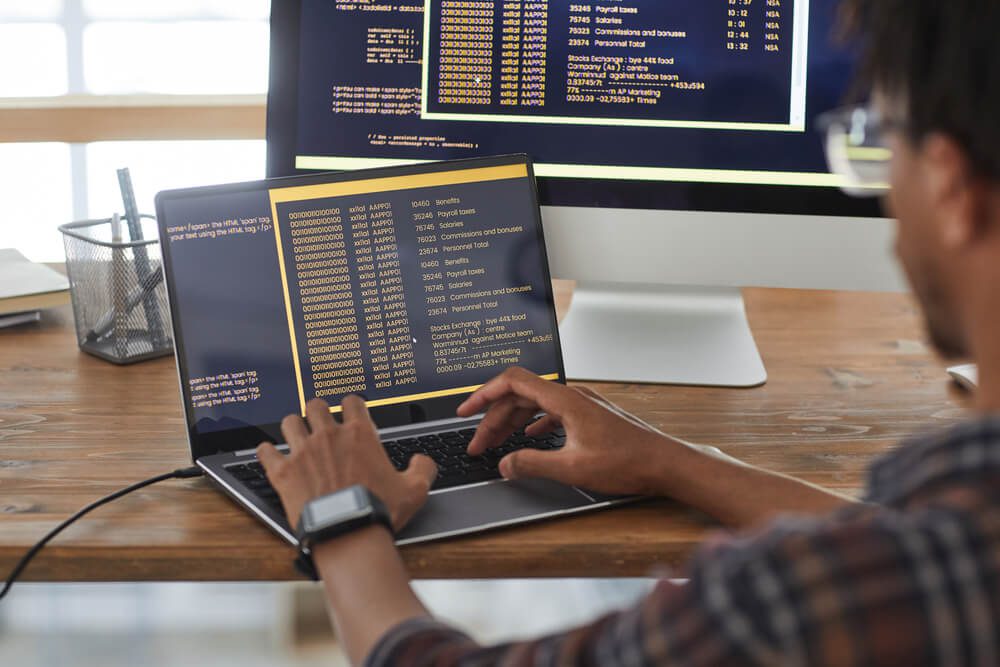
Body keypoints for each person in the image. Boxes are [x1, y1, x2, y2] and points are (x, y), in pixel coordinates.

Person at [256, 0, 1000, 663]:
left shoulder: (779, 606)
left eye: (879, 136)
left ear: (951, 185)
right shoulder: (948, 557)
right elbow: (898, 550)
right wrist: (668, 461)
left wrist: (343, 518)